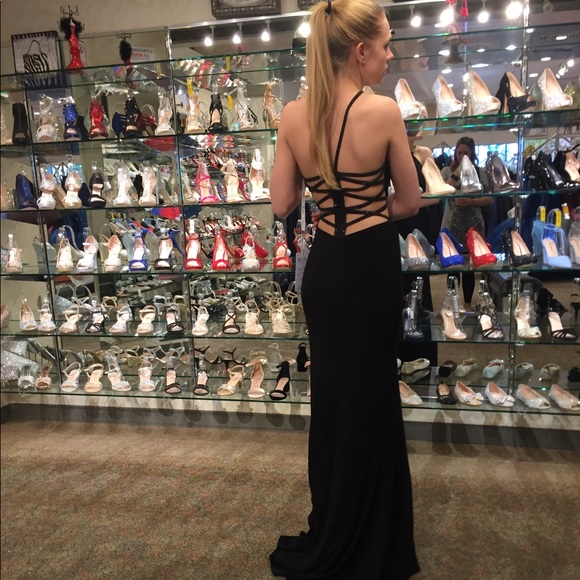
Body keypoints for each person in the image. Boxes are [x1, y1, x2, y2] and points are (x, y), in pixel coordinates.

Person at [269, 1, 421, 577]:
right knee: (374, 394)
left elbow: (282, 203)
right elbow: (409, 202)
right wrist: (368, 208)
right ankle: (374, 531)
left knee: (332, 398)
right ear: (359, 51)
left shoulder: (293, 115)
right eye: (385, 44)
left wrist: (328, 204)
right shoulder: (383, 111)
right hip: (371, 266)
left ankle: (334, 522)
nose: (390, 54)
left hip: (327, 270)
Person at [441, 136, 492, 310]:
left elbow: (489, 199)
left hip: (473, 223)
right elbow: (443, 190)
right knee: (452, 266)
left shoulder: (480, 172)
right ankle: (452, 304)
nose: (462, 156)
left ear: (472, 153)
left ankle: (467, 304)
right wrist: (457, 171)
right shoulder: (447, 171)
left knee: (470, 266)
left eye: (466, 153)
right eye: (459, 152)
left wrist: (472, 201)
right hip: (452, 223)